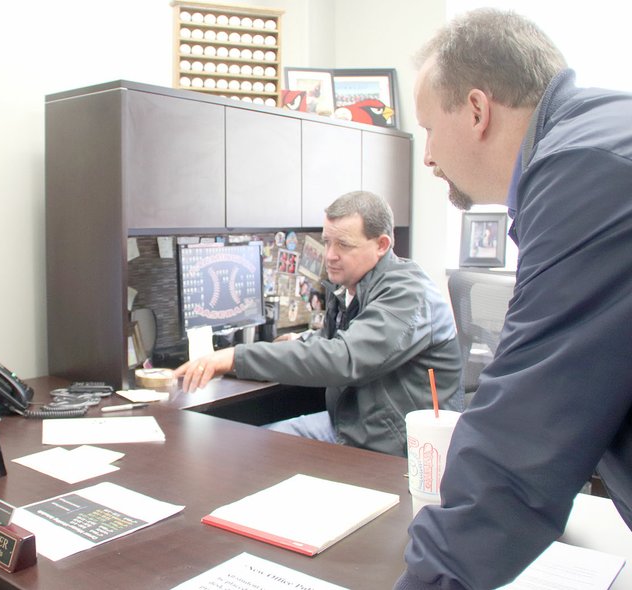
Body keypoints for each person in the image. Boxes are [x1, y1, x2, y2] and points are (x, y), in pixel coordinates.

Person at [396, 8, 632, 589]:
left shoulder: (583, 169)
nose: (426, 157)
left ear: (477, 110)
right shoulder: (599, 135)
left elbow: (520, 444)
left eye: (427, 127)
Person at [174, 191, 463, 457]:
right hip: (351, 425)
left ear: (382, 245)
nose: (329, 255)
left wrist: (234, 357)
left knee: (258, 456)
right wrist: (298, 343)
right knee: (255, 446)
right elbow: (331, 342)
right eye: (326, 242)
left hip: (396, 447)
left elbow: (344, 357)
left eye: (344, 245)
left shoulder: (407, 292)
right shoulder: (353, 288)